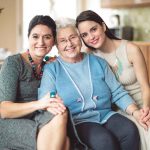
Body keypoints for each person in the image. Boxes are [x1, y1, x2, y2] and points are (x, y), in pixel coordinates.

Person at [38, 17, 144, 150]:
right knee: (105, 141)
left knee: (130, 131)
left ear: (80, 38)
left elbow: (117, 92)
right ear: (57, 46)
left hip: (106, 114)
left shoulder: (98, 62)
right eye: (63, 41)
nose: (69, 44)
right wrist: (54, 102)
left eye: (73, 37)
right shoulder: (52, 68)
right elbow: (46, 97)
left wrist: (135, 112)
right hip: (79, 121)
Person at [76, 10, 150, 150]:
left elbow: (146, 87)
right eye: (84, 35)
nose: (91, 37)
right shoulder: (89, 56)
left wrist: (145, 111)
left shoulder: (130, 49)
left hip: (142, 105)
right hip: (115, 112)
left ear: (103, 26)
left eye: (94, 29)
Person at [0, 15, 69, 150]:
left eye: (47, 37)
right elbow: (3, 110)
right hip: (10, 122)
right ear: (28, 38)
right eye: (35, 36)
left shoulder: (49, 65)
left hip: (36, 117)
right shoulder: (13, 63)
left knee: (61, 112)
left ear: (53, 41)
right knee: (64, 143)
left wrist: (57, 63)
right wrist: (40, 104)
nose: (41, 42)